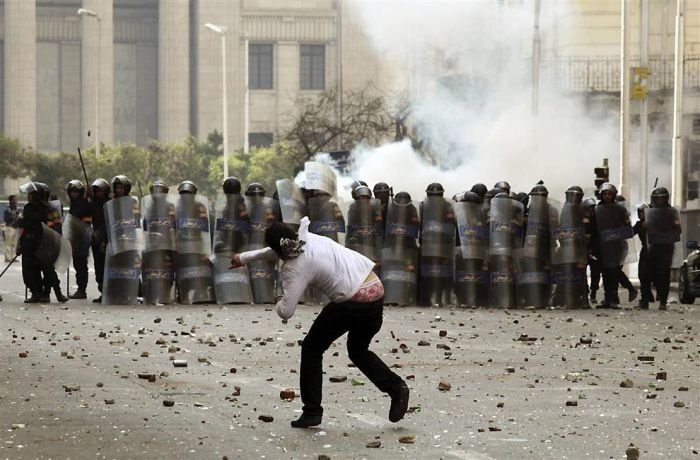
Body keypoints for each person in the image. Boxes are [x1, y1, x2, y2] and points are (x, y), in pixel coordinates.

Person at [232, 217, 409, 428]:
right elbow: (275, 249)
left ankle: (312, 412)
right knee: (358, 350)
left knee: (311, 349)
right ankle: (397, 388)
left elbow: (286, 312)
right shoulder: (307, 237)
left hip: (353, 301)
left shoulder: (294, 268)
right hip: (375, 289)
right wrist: (244, 258)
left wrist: (278, 299)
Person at [66, 180, 92, 299]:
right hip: (75, 238)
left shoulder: (83, 203)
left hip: (82, 238)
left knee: (81, 265)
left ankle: (82, 290)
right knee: (78, 265)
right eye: (72, 192)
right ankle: (81, 289)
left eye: (76, 192)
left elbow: (84, 220)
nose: (74, 194)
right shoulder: (75, 203)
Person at [90, 178, 111, 303]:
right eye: (96, 191)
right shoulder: (93, 203)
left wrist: (105, 240)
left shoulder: (110, 204)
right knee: (99, 267)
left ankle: (110, 292)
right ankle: (103, 291)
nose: (99, 194)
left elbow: (109, 223)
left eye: (101, 191)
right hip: (96, 239)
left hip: (107, 238)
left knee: (107, 267)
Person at [633, 203, 653, 309]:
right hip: (645, 251)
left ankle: (658, 298)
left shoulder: (655, 222)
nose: (640, 214)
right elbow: (630, 232)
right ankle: (645, 298)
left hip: (656, 251)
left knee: (657, 275)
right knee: (643, 275)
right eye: (639, 212)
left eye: (642, 212)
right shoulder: (639, 224)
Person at [3, 195, 21, 262]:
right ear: (10, 200)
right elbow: (6, 219)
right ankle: (7, 257)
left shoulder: (17, 209)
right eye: (14, 199)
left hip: (16, 228)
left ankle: (13, 257)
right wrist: (13, 217)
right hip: (9, 227)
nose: (16, 201)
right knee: (8, 243)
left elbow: (20, 217)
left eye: (16, 199)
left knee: (14, 243)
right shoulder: (7, 210)